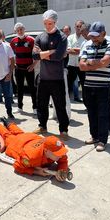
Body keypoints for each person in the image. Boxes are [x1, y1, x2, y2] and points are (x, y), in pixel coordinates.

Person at [32, 10, 70, 140]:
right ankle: (42, 125)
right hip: (43, 78)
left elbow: (58, 56)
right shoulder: (40, 37)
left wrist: (44, 54)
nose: (48, 25)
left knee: (60, 105)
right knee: (41, 104)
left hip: (57, 78)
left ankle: (64, 130)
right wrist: (51, 52)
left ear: (55, 22)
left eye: (50, 23)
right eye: (45, 23)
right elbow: (34, 55)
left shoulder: (62, 37)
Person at [79, 21, 110, 152]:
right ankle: (94, 136)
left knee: (103, 115)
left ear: (104, 34)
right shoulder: (88, 45)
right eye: (92, 36)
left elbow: (106, 61)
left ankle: (102, 140)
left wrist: (90, 63)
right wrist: (98, 64)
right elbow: (81, 66)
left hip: (103, 86)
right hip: (88, 86)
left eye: (96, 36)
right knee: (91, 113)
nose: (93, 38)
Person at [0, 118, 69, 182]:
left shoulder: (58, 146)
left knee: (19, 132)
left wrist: (61, 170)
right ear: (46, 151)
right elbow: (17, 166)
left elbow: (63, 161)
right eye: (58, 153)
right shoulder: (31, 157)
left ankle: (7, 122)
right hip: (18, 144)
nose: (61, 155)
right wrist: (36, 172)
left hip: (30, 138)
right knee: (7, 136)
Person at [10, 22, 37, 114]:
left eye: (21, 29)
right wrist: (13, 63)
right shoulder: (13, 41)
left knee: (32, 88)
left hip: (29, 68)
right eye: (17, 30)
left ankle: (35, 108)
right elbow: (10, 54)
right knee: (19, 88)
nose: (19, 31)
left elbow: (37, 54)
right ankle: (20, 107)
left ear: (24, 29)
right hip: (18, 69)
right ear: (15, 31)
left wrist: (33, 65)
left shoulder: (31, 40)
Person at [67, 20, 85, 102]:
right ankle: (66, 103)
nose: (78, 28)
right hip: (71, 65)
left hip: (82, 65)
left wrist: (73, 50)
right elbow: (68, 50)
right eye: (77, 26)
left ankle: (87, 105)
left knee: (84, 86)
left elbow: (85, 51)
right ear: (74, 27)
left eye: (80, 26)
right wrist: (80, 50)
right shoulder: (70, 37)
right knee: (68, 85)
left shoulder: (85, 38)